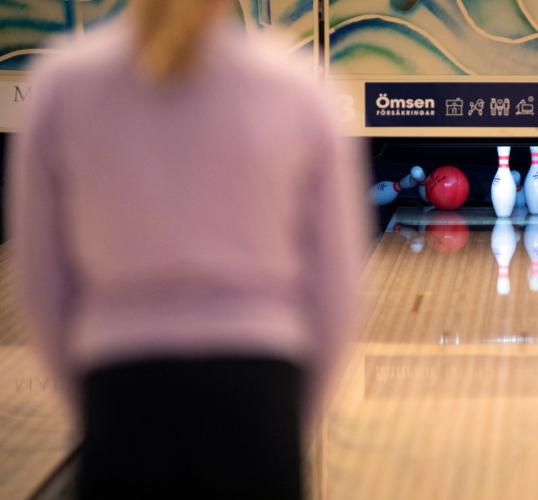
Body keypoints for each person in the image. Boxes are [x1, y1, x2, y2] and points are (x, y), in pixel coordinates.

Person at [8, 0, 368, 498]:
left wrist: (95, 394)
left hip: (123, 390)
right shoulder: (298, 87)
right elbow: (336, 290)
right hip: (258, 393)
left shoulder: (63, 84)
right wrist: (289, 412)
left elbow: (42, 283)